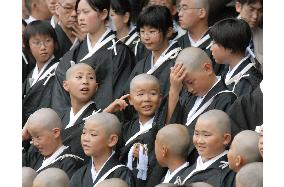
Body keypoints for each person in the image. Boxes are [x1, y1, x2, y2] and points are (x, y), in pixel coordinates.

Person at [51, 0, 136, 112]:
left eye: (86, 12)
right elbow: (60, 96)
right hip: (72, 124)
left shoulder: (119, 52)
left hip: (102, 123)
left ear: (103, 14)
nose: (80, 18)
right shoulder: (75, 52)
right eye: (79, 13)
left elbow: (117, 97)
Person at [159, 47, 236, 164]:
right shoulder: (188, 96)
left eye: (190, 82)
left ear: (207, 68)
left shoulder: (226, 99)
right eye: (184, 85)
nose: (189, 89)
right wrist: (174, 90)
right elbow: (171, 127)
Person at [113, 74, 164, 187]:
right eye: (140, 94)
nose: (147, 99)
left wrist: (147, 154)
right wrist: (109, 110)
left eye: (153, 94)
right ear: (130, 99)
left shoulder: (162, 128)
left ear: (160, 99)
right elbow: (100, 133)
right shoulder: (125, 128)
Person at [125, 5, 181, 96]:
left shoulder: (179, 60)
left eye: (152, 32)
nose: (146, 37)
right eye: (142, 31)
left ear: (168, 32)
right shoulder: (142, 64)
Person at [70, 112, 136, 187]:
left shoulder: (122, 174)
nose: (85, 139)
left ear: (112, 140)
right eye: (84, 132)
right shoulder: (79, 174)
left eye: (93, 134)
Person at [179, 110, 235, 186]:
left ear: (225, 139)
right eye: (196, 134)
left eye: (206, 135)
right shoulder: (189, 167)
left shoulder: (229, 174)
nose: (199, 141)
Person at [209, 18, 262, 97]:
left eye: (214, 43)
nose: (211, 48)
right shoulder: (226, 70)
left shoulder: (248, 81)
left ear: (230, 47)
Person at [22, 20, 60, 127]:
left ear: (54, 42)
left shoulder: (60, 70)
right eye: (37, 42)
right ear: (28, 45)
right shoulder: (31, 74)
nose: (43, 47)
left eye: (47, 41)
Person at [60, 63, 99, 161]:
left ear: (96, 87)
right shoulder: (59, 117)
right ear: (66, 85)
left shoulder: (100, 117)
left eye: (90, 78)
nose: (85, 81)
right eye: (79, 77)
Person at [176, 0, 223, 75]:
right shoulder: (176, 45)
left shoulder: (220, 42)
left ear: (201, 13)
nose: (179, 14)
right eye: (179, 9)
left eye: (185, 8)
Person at [235, 0, 263, 72]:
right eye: (251, 9)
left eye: (260, 10)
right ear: (238, 6)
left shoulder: (262, 35)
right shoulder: (223, 32)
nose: (255, 16)